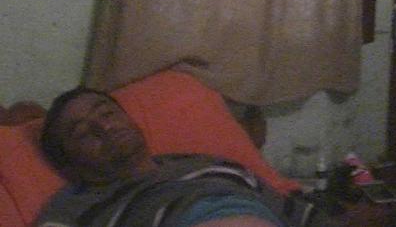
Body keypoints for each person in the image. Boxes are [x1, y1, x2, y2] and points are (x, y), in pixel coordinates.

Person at [36, 87, 317, 227]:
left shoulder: (209, 164)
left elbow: (299, 214)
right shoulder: (75, 205)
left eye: (107, 113)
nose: (104, 127)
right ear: (70, 164)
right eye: (83, 133)